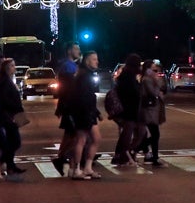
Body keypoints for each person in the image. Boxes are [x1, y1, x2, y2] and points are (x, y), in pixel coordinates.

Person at [68, 50, 103, 180]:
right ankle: (76, 169)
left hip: (88, 112)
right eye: (94, 59)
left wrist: (96, 112)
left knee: (96, 138)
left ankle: (87, 167)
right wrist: (90, 112)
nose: (97, 61)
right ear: (87, 61)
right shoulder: (84, 75)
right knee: (81, 140)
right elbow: (82, 97)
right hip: (83, 113)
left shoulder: (85, 74)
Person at [52, 42, 82, 176]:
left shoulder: (71, 65)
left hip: (69, 105)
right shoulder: (68, 67)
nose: (79, 51)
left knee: (70, 134)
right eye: (76, 49)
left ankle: (63, 158)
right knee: (75, 135)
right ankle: (66, 159)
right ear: (69, 51)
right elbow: (67, 88)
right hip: (71, 105)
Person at [0, 57, 27, 176]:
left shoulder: (8, 80)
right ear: (7, 68)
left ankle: (10, 166)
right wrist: (14, 106)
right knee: (15, 141)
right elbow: (4, 99)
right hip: (8, 115)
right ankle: (2, 162)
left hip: (11, 114)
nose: (15, 67)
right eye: (13, 65)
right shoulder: (4, 81)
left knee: (11, 141)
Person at [111, 53, 144, 168]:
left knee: (132, 133)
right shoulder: (127, 77)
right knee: (128, 134)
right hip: (128, 110)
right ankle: (123, 156)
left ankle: (122, 155)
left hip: (131, 110)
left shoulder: (130, 75)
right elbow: (131, 94)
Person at [139, 60, 165, 166]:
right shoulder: (147, 80)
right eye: (153, 69)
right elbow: (154, 92)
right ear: (148, 69)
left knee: (155, 134)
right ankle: (138, 148)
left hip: (152, 110)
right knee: (155, 134)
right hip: (149, 110)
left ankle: (153, 156)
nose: (155, 71)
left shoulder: (149, 79)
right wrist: (157, 82)